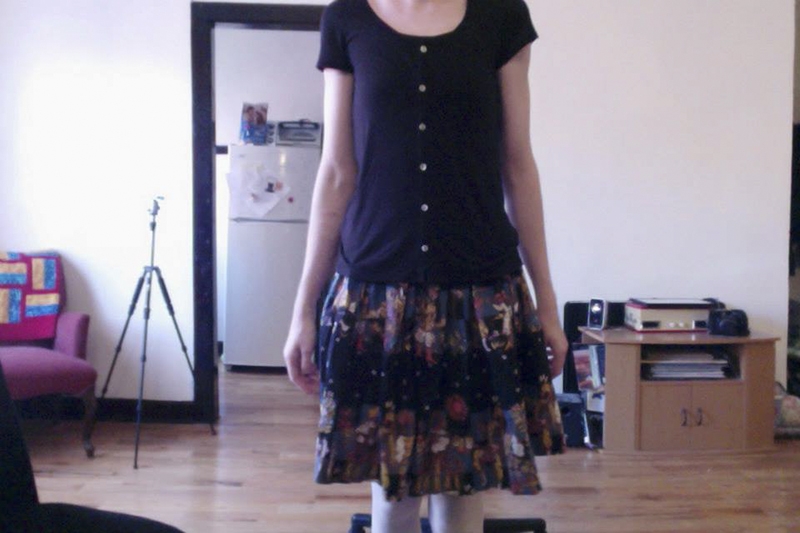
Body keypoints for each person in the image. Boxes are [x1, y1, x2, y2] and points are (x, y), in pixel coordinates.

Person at [283, 0, 567, 531]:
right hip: (376, 295)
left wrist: (548, 306)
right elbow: (337, 170)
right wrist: (303, 310)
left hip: (478, 295)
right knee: (392, 493)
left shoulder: (501, 15)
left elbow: (517, 163)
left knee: (464, 485)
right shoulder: (347, 18)